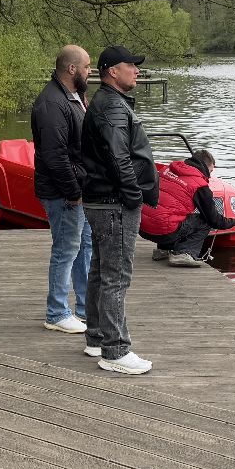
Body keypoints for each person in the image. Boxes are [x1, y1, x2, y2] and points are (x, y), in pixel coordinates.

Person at [80, 44, 159, 375]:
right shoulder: (112, 107)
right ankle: (115, 351)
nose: (137, 71)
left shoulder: (107, 102)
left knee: (100, 271)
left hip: (102, 202)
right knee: (116, 275)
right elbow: (118, 157)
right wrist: (134, 196)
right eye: (132, 66)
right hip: (114, 204)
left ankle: (97, 338)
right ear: (113, 71)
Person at [31, 45, 92, 335]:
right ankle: (56, 313)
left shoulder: (74, 97)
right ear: (72, 69)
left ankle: (83, 308)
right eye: (87, 67)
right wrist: (73, 191)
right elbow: (55, 156)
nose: (90, 72)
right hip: (63, 192)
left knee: (83, 247)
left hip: (77, 188)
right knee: (66, 249)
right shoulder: (51, 103)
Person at [141, 149, 235, 267]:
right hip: (163, 231)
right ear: (205, 166)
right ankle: (183, 253)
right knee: (204, 221)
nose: (209, 176)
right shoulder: (199, 185)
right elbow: (214, 220)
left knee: (169, 213)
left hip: (142, 227)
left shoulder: (167, 170)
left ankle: (163, 250)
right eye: (210, 171)